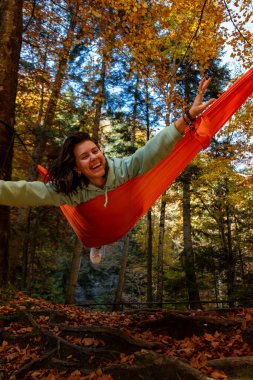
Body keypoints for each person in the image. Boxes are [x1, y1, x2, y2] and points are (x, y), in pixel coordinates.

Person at [0, 78, 215, 264]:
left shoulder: (122, 169)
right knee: (96, 233)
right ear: (76, 167)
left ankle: (105, 235)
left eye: (95, 151)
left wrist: (187, 118)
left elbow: (151, 151)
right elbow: (27, 192)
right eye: (85, 156)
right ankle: (97, 244)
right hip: (95, 227)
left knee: (120, 212)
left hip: (124, 217)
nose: (94, 157)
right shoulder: (71, 190)